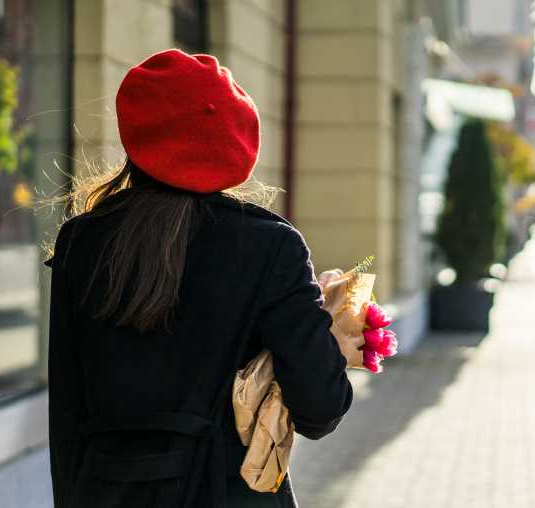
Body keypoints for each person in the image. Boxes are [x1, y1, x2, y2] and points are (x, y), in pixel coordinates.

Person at [46, 49, 360, 508]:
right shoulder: (270, 247)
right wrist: (326, 332)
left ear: (138, 134)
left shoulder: (81, 241)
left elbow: (67, 413)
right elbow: (320, 408)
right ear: (236, 142)